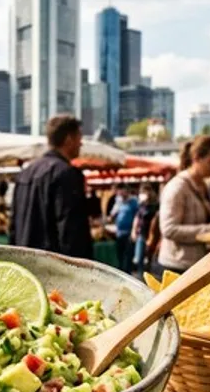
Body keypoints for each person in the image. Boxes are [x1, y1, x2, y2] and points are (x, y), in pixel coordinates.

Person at [10, 115, 93, 259]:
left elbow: (13, 225)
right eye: (79, 137)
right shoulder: (67, 174)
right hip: (52, 267)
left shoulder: (25, 173)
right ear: (69, 139)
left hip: (24, 262)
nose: (81, 143)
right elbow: (71, 231)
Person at [157, 136, 210, 273]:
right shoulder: (177, 187)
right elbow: (169, 229)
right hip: (177, 267)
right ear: (197, 158)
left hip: (195, 265)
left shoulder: (205, 185)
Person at [109, 185, 140, 274]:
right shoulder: (118, 202)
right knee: (120, 255)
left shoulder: (133, 202)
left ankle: (127, 273)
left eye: (122, 191)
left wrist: (134, 231)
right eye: (119, 192)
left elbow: (137, 216)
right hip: (119, 233)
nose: (121, 193)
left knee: (128, 256)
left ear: (127, 191)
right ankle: (121, 273)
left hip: (129, 233)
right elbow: (112, 215)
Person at [132, 183, 160, 275]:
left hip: (152, 236)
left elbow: (156, 221)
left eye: (145, 191)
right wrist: (134, 231)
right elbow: (137, 218)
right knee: (139, 257)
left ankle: (148, 275)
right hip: (141, 234)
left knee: (150, 257)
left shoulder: (156, 205)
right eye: (142, 192)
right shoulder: (141, 205)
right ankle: (141, 275)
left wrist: (152, 237)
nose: (143, 194)